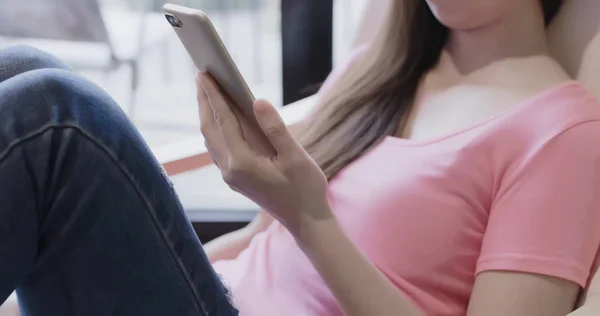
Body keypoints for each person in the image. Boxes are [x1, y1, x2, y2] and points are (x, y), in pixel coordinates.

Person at [2, 0, 600, 316]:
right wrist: (161, 253)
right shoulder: (383, 68)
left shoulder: (560, 134)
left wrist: (311, 219)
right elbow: (258, 245)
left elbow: (297, 225)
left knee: (56, 119)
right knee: (25, 69)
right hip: (215, 294)